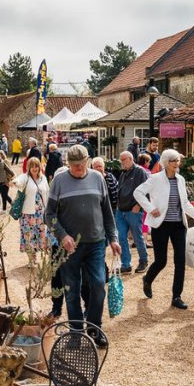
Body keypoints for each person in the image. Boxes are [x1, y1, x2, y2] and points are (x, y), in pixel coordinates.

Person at [45, 144, 120, 347]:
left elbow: (107, 211)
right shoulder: (59, 181)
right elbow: (49, 214)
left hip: (96, 242)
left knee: (98, 285)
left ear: (88, 160)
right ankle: (77, 334)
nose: (79, 169)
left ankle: (94, 329)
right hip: (70, 247)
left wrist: (113, 237)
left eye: (82, 164)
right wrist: (62, 235)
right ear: (68, 164)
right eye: (75, 166)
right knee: (72, 290)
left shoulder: (97, 178)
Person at [134, 149, 194, 310]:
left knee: (180, 261)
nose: (177, 164)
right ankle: (147, 279)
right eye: (173, 161)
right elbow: (138, 192)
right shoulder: (155, 179)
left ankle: (176, 296)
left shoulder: (181, 180)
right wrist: (150, 208)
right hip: (160, 225)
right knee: (161, 260)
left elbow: (184, 204)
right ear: (165, 162)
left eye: (178, 160)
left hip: (178, 225)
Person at [115, 151, 150, 274]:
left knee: (137, 237)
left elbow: (147, 190)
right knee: (122, 237)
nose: (122, 162)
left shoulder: (140, 171)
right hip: (121, 210)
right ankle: (126, 264)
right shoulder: (123, 174)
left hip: (133, 210)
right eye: (121, 160)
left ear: (131, 159)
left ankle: (143, 260)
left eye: (124, 159)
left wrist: (139, 205)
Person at [14, 156, 50, 260]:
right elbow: (19, 181)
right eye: (32, 166)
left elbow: (47, 193)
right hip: (27, 213)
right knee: (28, 235)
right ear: (29, 167)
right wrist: (15, 182)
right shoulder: (25, 177)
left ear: (39, 167)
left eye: (36, 166)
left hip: (40, 213)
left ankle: (35, 254)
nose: (34, 169)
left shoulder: (44, 178)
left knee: (39, 235)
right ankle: (31, 257)